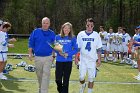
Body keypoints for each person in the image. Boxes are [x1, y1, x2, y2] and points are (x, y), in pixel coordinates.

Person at [28, 17, 56, 93]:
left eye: (47, 23)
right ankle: (41, 88)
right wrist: (30, 53)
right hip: (37, 57)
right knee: (39, 74)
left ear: (49, 24)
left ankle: (44, 91)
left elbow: (54, 45)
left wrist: (53, 55)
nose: (45, 24)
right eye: (44, 23)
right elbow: (30, 43)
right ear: (41, 23)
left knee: (46, 75)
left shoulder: (52, 33)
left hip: (48, 57)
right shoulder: (35, 32)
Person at [75, 18, 102, 93]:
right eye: (88, 25)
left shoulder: (96, 35)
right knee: (81, 77)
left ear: (93, 26)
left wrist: (99, 59)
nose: (89, 27)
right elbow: (78, 47)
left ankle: (89, 91)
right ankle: (83, 85)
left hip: (92, 60)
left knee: (91, 78)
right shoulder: (80, 34)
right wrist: (76, 58)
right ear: (85, 25)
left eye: (91, 26)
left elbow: (99, 48)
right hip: (83, 59)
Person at [55, 22, 78, 93]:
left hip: (68, 61)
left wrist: (68, 54)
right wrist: (59, 52)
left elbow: (76, 49)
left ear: (70, 29)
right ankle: (61, 90)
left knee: (66, 80)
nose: (67, 29)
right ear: (63, 28)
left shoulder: (73, 38)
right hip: (59, 61)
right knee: (58, 79)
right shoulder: (57, 37)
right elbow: (54, 47)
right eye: (65, 28)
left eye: (69, 28)